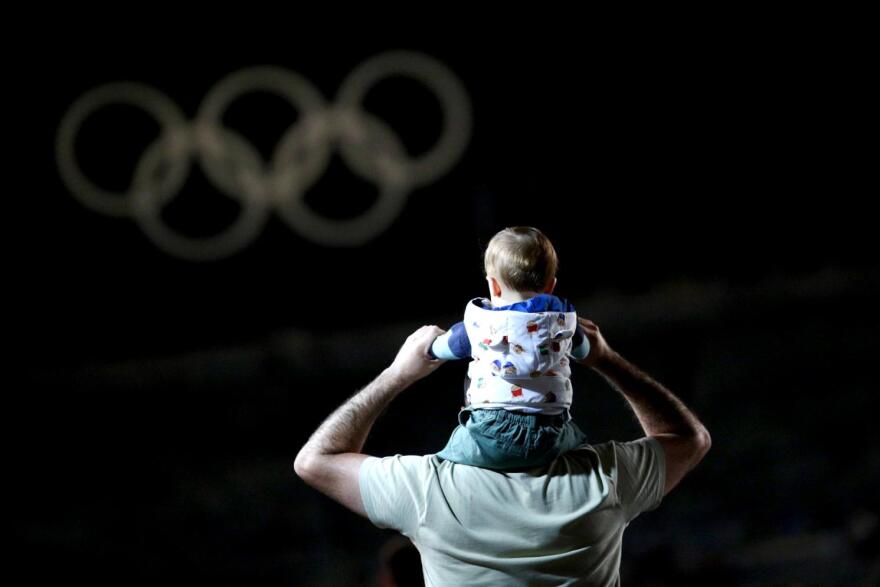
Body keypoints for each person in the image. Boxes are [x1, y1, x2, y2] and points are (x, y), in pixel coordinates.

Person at [294, 318, 712, 586]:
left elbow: (316, 460)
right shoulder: (605, 480)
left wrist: (396, 374)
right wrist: (606, 359)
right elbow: (687, 438)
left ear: (469, 407)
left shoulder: (428, 491)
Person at [428, 226, 592, 470]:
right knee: (578, 440)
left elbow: (443, 347)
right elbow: (585, 351)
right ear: (551, 286)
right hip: (551, 433)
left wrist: (430, 347)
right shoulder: (564, 321)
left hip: (490, 430)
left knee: (453, 448)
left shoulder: (480, 324)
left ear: (493, 286)